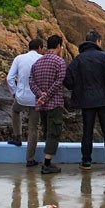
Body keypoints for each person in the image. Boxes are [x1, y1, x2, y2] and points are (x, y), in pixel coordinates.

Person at [64, 29, 105, 170]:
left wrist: (76, 88)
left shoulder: (79, 59)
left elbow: (67, 78)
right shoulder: (104, 56)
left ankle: (86, 161)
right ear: (97, 41)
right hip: (104, 99)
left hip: (86, 101)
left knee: (87, 131)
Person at [29, 34, 66, 175]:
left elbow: (31, 81)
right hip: (54, 103)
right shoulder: (59, 62)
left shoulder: (37, 62)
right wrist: (47, 96)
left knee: (46, 131)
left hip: (41, 105)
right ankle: (47, 163)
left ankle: (47, 160)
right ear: (58, 46)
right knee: (54, 132)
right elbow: (59, 81)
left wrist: (40, 95)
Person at [5, 37, 45, 168]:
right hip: (36, 98)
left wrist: (15, 92)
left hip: (21, 97)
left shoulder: (19, 58)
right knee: (33, 128)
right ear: (40, 48)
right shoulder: (41, 59)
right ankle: (30, 159)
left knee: (15, 110)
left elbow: (9, 78)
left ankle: (17, 137)